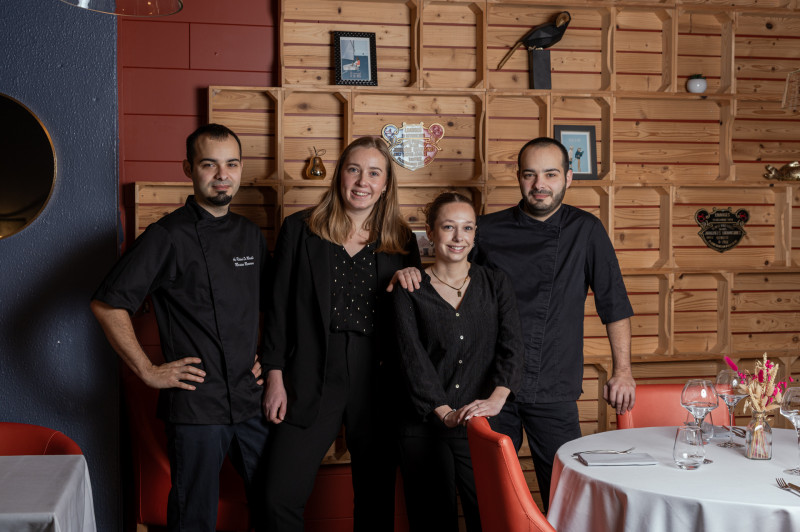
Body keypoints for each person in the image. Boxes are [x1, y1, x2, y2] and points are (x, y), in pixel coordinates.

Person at [91, 124, 271, 531]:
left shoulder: (249, 235)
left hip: (250, 400)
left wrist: (269, 359)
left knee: (276, 504)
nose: (222, 175)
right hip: (196, 408)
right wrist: (148, 370)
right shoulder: (166, 236)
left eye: (231, 164)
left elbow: (269, 307)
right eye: (209, 164)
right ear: (188, 168)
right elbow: (107, 304)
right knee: (194, 519)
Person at [261, 136, 422, 531]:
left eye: (373, 173)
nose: (362, 181)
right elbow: (278, 307)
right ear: (339, 176)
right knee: (275, 496)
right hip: (311, 370)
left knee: (375, 499)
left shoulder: (401, 240)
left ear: (385, 184)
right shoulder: (300, 229)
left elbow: (413, 321)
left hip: (378, 377)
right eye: (354, 169)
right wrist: (275, 376)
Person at [472, 137, 635, 511]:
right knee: (495, 494)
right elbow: (452, 288)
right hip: (493, 384)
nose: (539, 184)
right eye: (529, 175)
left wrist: (622, 371)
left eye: (550, 174)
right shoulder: (485, 230)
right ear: (518, 177)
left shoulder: (586, 229)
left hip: (555, 385)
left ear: (568, 177)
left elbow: (614, 304)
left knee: (565, 494)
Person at [392, 192, 523, 532]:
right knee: (433, 521)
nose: (458, 237)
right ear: (430, 232)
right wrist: (444, 412)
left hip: (484, 426)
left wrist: (495, 402)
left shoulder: (496, 283)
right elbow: (411, 360)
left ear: (475, 233)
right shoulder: (410, 287)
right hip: (424, 427)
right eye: (448, 227)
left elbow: (512, 347)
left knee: (489, 518)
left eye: (467, 228)